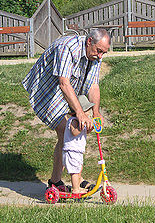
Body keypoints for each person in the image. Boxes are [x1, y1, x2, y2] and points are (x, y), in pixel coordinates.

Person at [22, 29, 111, 190]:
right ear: (89, 41)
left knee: (77, 129)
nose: (100, 57)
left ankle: (57, 181)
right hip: (47, 89)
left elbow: (93, 85)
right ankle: (68, 181)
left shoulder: (95, 55)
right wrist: (80, 112)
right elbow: (63, 83)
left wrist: (96, 113)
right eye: (99, 51)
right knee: (68, 130)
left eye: (104, 53)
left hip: (70, 89)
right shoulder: (66, 47)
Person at [63, 95, 95, 194]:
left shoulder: (81, 122)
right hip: (71, 150)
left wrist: (91, 128)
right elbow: (74, 132)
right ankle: (75, 189)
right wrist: (82, 126)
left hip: (78, 151)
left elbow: (85, 132)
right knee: (75, 171)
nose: (88, 113)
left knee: (79, 169)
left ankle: (77, 187)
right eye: (86, 111)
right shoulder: (73, 121)